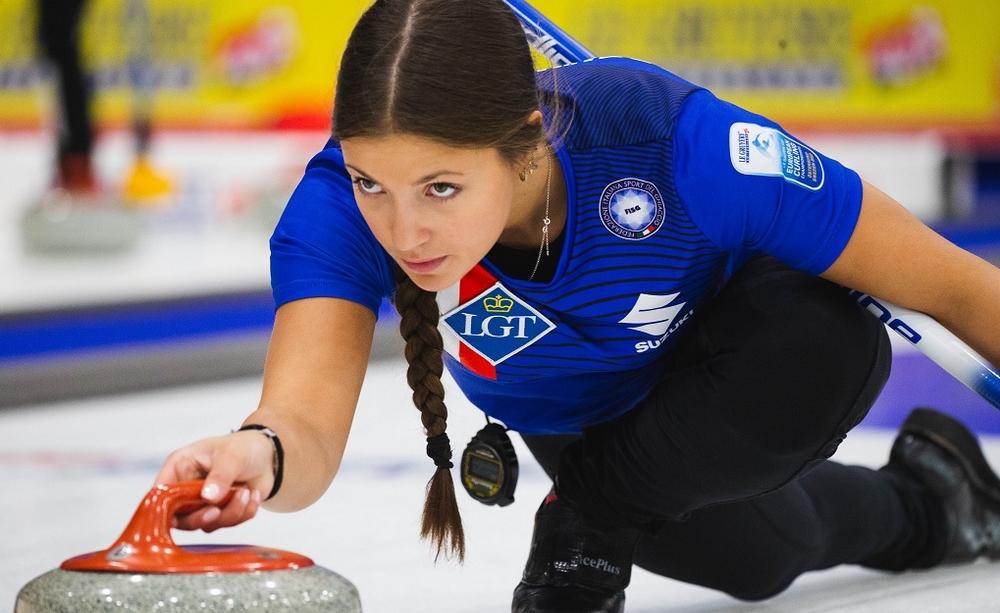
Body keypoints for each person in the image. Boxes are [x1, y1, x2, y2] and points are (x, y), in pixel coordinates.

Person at [153, 1, 1000, 611]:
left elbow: (956, 286)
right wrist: (257, 453)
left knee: (826, 341)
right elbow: (302, 421)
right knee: (762, 556)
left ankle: (591, 513)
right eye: (374, 181)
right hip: (591, 427)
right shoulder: (336, 212)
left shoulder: (676, 143)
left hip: (733, 355)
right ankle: (933, 498)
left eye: (442, 187)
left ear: (525, 139)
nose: (404, 229)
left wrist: (594, 512)